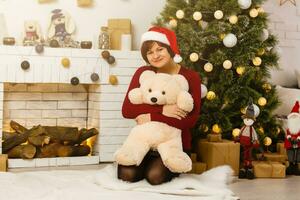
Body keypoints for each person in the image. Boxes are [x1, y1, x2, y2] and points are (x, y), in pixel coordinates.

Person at [118, 26, 201, 185]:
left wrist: (151, 116)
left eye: (160, 49)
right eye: (150, 52)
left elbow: (189, 121)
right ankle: (144, 161)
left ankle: (162, 165)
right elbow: (127, 109)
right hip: (145, 142)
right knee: (127, 175)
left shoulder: (190, 77)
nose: (155, 55)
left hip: (174, 145)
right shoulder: (143, 73)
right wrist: (163, 110)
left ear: (170, 48)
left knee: (155, 176)